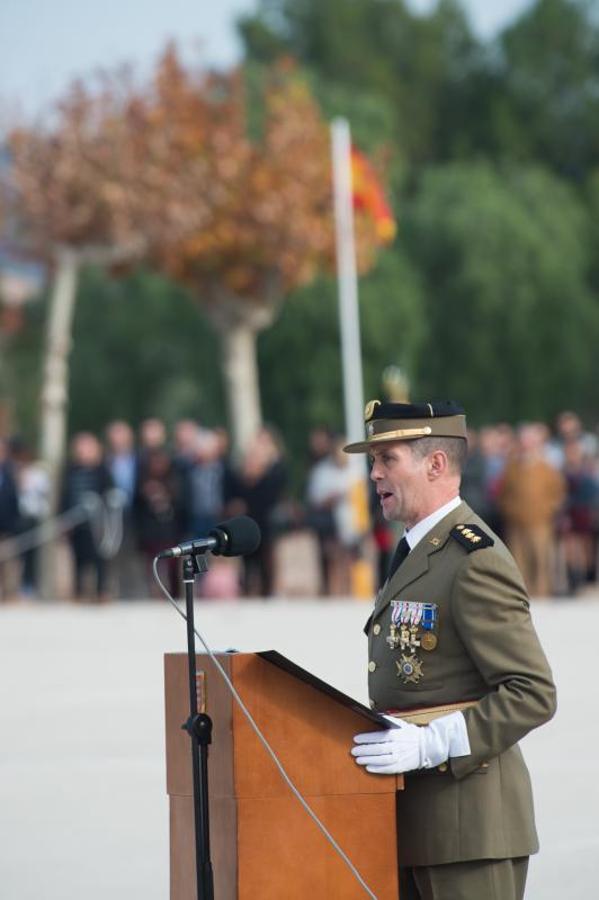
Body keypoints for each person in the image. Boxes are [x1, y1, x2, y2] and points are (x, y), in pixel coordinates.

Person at [344, 400, 556, 900]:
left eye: (386, 459)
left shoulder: (473, 559)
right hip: (418, 820)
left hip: (470, 830)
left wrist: (432, 743)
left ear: (435, 464)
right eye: (372, 461)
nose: (373, 474)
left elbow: (533, 692)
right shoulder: (418, 549)